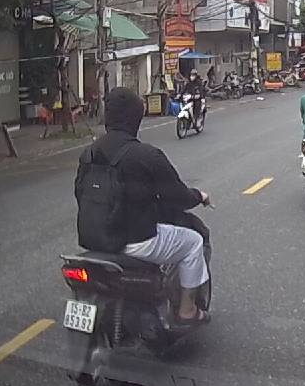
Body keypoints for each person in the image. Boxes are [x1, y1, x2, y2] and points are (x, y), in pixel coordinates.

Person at [75, 88, 211, 324]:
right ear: (136, 119)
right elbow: (178, 197)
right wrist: (199, 195)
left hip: (93, 239)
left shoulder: (88, 154)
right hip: (136, 243)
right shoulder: (146, 155)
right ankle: (187, 310)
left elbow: (79, 192)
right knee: (194, 242)